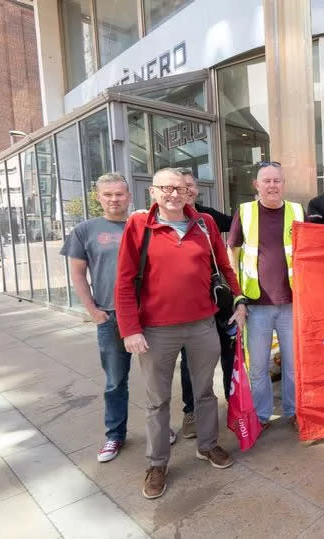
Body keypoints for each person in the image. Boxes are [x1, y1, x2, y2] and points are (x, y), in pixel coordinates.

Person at [115, 168, 247, 499]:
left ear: (189, 193)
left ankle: (208, 445)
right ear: (153, 192)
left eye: (180, 188)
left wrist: (239, 301)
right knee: (157, 400)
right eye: (166, 188)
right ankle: (157, 463)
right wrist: (130, 329)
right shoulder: (138, 225)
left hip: (203, 323)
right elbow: (124, 281)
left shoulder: (203, 223)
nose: (174, 194)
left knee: (204, 392)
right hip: (156, 330)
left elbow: (225, 266)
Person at [60, 173, 177, 463]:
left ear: (129, 196)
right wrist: (93, 311)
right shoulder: (85, 230)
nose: (114, 199)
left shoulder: (145, 225)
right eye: (108, 194)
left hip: (149, 316)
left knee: (156, 380)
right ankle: (114, 436)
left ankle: (162, 430)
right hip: (110, 317)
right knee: (115, 381)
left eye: (120, 194)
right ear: (98, 197)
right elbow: (77, 273)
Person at [228, 162, 304, 429]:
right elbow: (233, 255)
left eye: (277, 181)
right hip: (256, 303)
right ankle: (261, 416)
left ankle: (293, 412)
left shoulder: (297, 210)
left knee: (294, 367)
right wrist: (238, 299)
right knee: (258, 368)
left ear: (283, 183)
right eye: (267, 181)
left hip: (290, 302)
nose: (272, 185)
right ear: (256, 185)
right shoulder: (245, 212)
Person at [176, 168, 235, 440]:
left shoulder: (207, 217)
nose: (186, 190)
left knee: (228, 354)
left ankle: (234, 404)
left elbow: (239, 224)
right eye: (181, 185)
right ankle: (191, 412)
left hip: (217, 298)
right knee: (191, 362)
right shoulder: (161, 220)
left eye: (191, 185)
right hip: (188, 305)